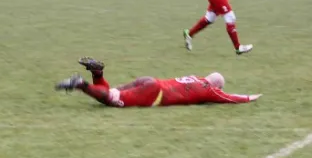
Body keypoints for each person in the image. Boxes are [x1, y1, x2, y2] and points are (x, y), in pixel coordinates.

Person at [55, 57, 261, 107]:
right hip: (155, 93)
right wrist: (250, 97)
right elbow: (229, 98)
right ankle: (81, 83)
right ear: (215, 85)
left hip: (151, 81)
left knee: (113, 93)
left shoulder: (197, 77)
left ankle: (97, 74)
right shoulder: (208, 89)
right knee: (112, 100)